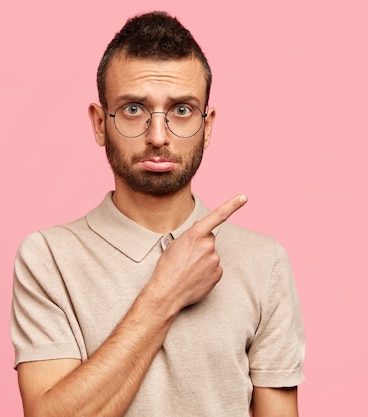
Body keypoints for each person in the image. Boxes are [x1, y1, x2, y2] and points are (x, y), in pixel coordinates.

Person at [10, 11, 305, 417]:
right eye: (133, 109)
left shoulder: (263, 261)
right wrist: (165, 293)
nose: (158, 136)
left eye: (182, 110)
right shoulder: (48, 257)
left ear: (208, 124)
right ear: (100, 123)